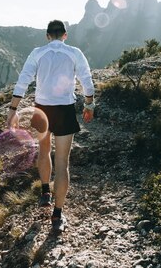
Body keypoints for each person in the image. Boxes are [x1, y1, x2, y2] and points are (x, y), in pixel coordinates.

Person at [6, 20, 95, 232]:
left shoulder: (37, 53)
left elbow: (23, 80)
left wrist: (12, 110)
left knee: (44, 151)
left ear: (47, 36)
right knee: (63, 161)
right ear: (65, 35)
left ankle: (45, 191)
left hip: (41, 109)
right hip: (64, 110)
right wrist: (89, 105)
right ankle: (57, 215)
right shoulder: (74, 52)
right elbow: (86, 80)